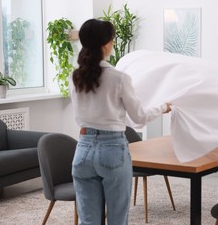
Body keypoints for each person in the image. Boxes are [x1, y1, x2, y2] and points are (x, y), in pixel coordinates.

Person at [70, 19, 171, 225]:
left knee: (88, 221)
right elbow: (139, 117)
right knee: (117, 219)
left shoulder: (74, 77)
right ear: (106, 44)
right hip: (112, 150)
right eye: (112, 40)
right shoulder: (118, 77)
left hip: (82, 150)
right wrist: (163, 107)